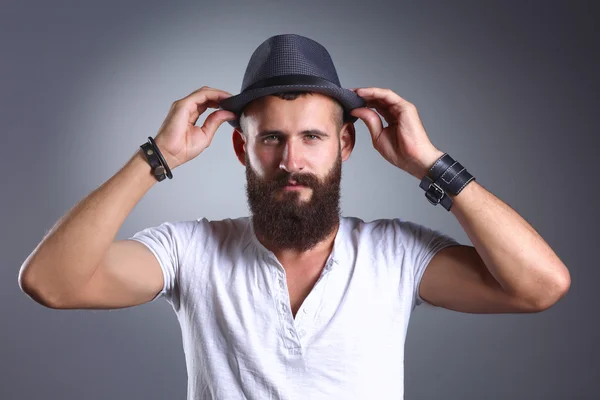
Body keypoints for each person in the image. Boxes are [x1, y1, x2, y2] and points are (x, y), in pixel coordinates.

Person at [18, 34, 570, 399]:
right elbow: (51, 282)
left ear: (345, 144)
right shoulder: (189, 251)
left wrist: (431, 165)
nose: (292, 162)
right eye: (272, 139)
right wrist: (155, 159)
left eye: (312, 137)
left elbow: (540, 286)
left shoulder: (395, 256)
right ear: (242, 149)